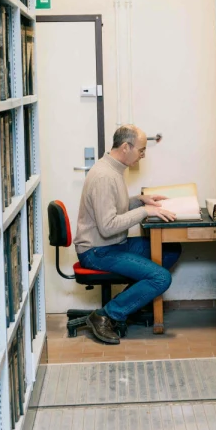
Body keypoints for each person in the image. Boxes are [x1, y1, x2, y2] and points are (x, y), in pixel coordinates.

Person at [74, 124, 182, 344]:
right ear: (126, 147)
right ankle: (106, 315)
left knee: (170, 249)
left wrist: (139, 200)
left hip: (113, 244)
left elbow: (115, 208)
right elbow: (108, 226)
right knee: (161, 277)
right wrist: (144, 212)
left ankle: (126, 304)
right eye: (141, 150)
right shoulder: (105, 176)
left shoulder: (113, 169)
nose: (143, 155)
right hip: (97, 251)